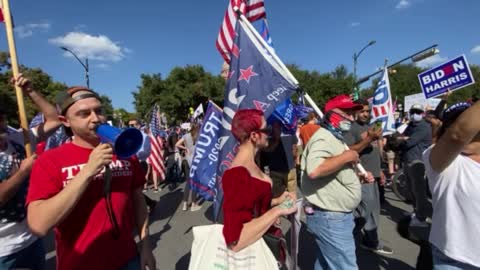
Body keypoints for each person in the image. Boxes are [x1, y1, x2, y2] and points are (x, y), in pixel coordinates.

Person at [25, 86, 156, 270]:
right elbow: (39, 225)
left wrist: (145, 246)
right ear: (65, 121)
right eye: (84, 114)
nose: (95, 118)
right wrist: (87, 171)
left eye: (99, 111)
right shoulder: (49, 161)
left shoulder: (126, 152)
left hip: (128, 259)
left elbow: (139, 202)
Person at [301, 94, 372, 270]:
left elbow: (332, 172)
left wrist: (356, 177)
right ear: (332, 114)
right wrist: (346, 156)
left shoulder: (335, 137)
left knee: (326, 265)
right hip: (331, 218)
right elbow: (315, 169)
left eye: (352, 113)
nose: (351, 117)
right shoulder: (324, 137)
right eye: (347, 112)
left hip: (333, 216)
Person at [0, 74, 62, 269]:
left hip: (31, 236)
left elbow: (55, 120)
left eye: (1, 118)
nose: (1, 123)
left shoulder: (19, 138)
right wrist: (23, 172)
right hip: (4, 251)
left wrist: (30, 91)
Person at [222, 109, 297, 264]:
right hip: (257, 253)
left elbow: (252, 206)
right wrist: (278, 211)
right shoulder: (237, 174)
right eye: (267, 129)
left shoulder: (252, 163)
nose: (270, 133)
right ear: (254, 136)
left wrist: (277, 201)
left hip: (269, 241)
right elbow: (236, 240)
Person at [422, 100, 480, 269]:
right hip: (457, 261)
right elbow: (458, 135)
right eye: (452, 123)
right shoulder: (439, 159)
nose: (459, 126)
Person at [344, 99, 393, 255]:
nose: (365, 113)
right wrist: (368, 139)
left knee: (373, 210)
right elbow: (349, 151)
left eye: (367, 110)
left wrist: (381, 171)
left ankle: (364, 238)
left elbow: (374, 151)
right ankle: (362, 239)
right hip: (362, 175)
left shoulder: (370, 127)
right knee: (367, 211)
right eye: (362, 111)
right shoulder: (350, 128)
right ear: (355, 111)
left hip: (374, 174)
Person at [398, 104, 432, 227]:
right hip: (408, 160)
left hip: (418, 162)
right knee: (411, 189)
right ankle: (416, 211)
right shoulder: (410, 126)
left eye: (417, 111)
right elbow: (401, 138)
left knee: (419, 191)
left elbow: (410, 142)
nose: (414, 114)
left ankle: (421, 218)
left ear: (422, 113)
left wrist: (403, 139)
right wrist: (403, 138)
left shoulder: (424, 127)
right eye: (412, 111)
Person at [175, 123, 202, 211]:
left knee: (188, 182)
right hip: (196, 161)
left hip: (187, 160)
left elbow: (177, 144)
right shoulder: (200, 136)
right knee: (195, 182)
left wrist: (185, 148)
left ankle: (185, 204)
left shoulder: (186, 136)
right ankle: (193, 204)